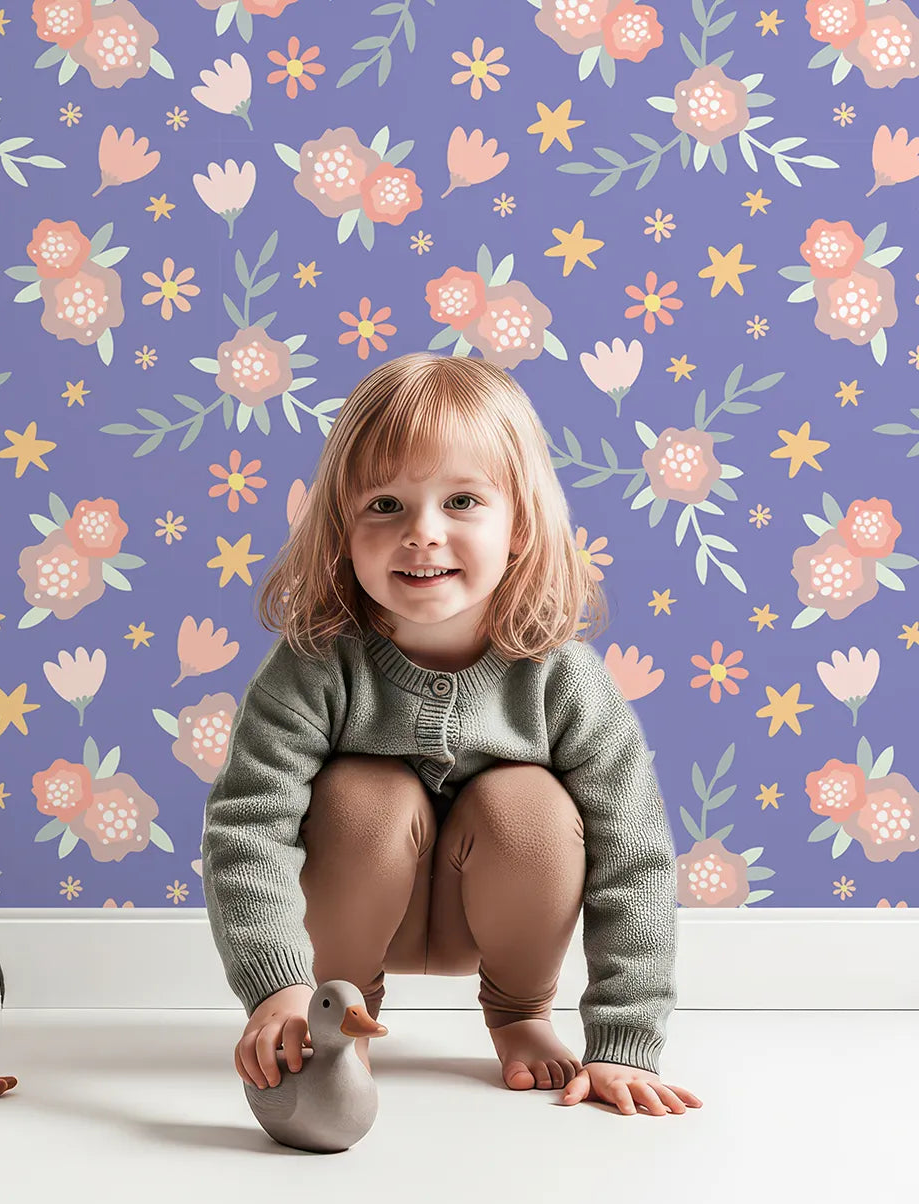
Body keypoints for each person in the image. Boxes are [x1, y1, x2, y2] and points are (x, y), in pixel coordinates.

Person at [200, 352, 703, 1118]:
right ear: (340, 526)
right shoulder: (314, 666)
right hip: (352, 923)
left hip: (501, 915)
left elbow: (633, 859)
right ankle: (343, 1014)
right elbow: (246, 829)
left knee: (526, 802)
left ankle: (520, 1015)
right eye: (385, 505)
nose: (422, 533)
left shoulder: (562, 677)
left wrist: (622, 1043)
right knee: (363, 793)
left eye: (462, 500)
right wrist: (280, 988)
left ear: (520, 526)